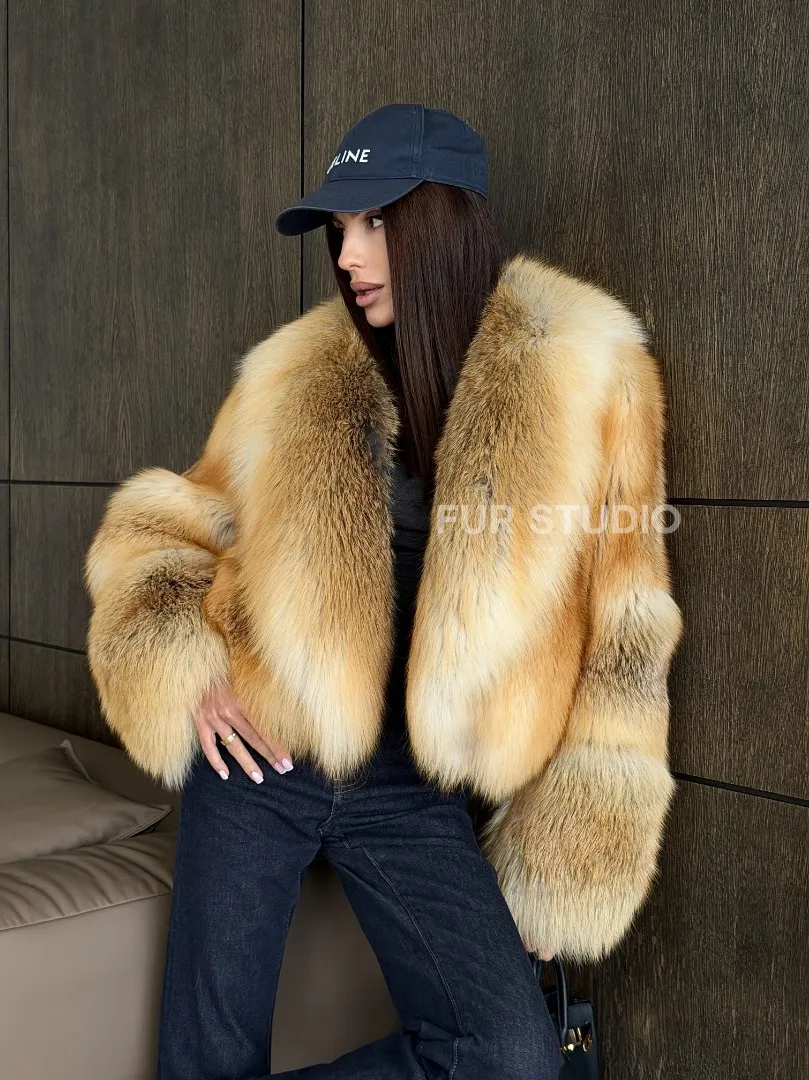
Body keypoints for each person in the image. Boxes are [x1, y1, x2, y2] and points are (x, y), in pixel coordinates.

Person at [84, 103, 683, 1080]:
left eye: (374, 222)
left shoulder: (586, 378)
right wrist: (191, 667)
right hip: (261, 753)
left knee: (509, 1055)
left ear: (443, 221)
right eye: (339, 229)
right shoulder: (298, 375)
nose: (349, 256)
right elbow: (161, 530)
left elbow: (626, 634)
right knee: (208, 1053)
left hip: (412, 786)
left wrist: (560, 863)